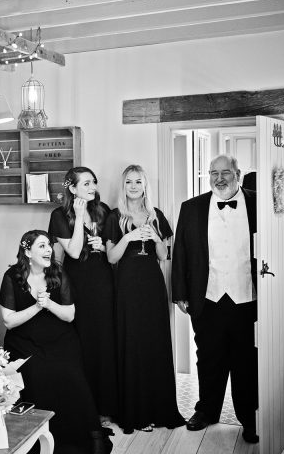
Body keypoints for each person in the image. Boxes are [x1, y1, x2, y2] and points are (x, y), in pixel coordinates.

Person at [0, 230, 112, 454]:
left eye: (49, 245)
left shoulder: (58, 272)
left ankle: (90, 435)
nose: (49, 249)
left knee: (70, 373)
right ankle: (36, 436)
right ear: (27, 251)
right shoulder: (12, 276)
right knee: (37, 371)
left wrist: (49, 304)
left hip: (60, 338)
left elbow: (69, 315)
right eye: (42, 246)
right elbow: (9, 321)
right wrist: (37, 306)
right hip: (24, 341)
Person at [171, 154, 259, 444]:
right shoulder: (192, 207)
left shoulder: (259, 204)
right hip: (207, 298)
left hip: (248, 299)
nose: (219, 178)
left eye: (225, 172)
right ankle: (206, 411)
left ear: (238, 174)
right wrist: (180, 293)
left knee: (246, 362)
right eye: (213, 173)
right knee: (208, 358)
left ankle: (250, 419)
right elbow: (181, 252)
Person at [105, 165, 185, 434]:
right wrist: (128, 236)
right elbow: (111, 257)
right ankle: (136, 412)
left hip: (152, 286)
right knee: (132, 344)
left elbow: (163, 257)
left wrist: (155, 238)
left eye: (139, 181)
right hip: (127, 287)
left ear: (145, 185)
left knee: (154, 343)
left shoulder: (156, 214)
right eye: (129, 182)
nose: (134, 186)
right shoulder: (114, 216)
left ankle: (158, 409)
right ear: (123, 185)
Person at [48, 167, 117, 423]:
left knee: (105, 342)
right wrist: (78, 216)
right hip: (78, 285)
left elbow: (112, 245)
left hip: (104, 282)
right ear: (73, 188)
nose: (92, 187)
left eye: (94, 183)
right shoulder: (59, 215)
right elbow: (74, 252)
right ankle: (86, 408)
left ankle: (107, 406)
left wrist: (103, 244)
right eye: (86, 183)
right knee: (83, 343)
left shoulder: (103, 210)